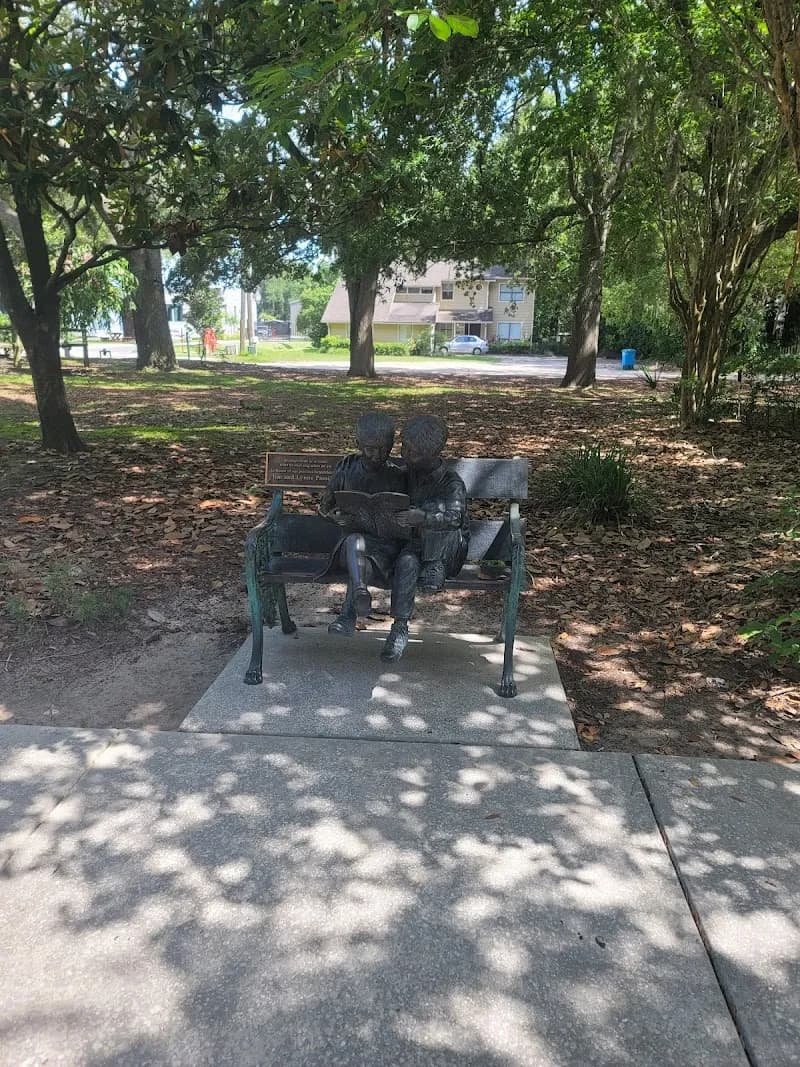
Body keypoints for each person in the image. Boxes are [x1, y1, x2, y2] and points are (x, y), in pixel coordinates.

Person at [381, 414, 469, 663]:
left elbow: (455, 518)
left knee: (435, 511)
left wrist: (422, 517)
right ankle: (399, 629)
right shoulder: (407, 474)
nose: (405, 455)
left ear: (433, 454)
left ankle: (435, 565)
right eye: (404, 447)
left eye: (413, 452)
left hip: (449, 550)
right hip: (416, 546)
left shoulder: (451, 482)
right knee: (407, 562)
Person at [319, 411, 407, 635]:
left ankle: (348, 614)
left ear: (392, 444)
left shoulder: (397, 476)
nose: (377, 455)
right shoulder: (346, 469)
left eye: (384, 449)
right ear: (358, 444)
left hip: (385, 547)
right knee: (355, 542)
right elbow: (324, 507)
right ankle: (358, 592)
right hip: (350, 545)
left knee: (364, 563)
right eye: (370, 449)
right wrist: (334, 516)